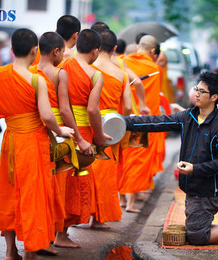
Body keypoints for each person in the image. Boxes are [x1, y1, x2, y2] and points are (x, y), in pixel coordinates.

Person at [123, 71, 218, 245]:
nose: (196, 93)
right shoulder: (188, 116)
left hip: (208, 191)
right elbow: (158, 121)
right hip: (191, 186)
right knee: (195, 228)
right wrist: (124, 122)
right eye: (197, 89)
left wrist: (195, 168)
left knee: (197, 236)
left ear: (214, 97)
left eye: (202, 91)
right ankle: (205, 226)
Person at [0, 28, 74, 260]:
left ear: (12, 49)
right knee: (33, 196)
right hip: (33, 142)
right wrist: (61, 130)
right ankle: (30, 252)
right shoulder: (37, 80)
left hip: (11, 140)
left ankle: (10, 251)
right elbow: (47, 116)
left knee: (9, 194)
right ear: (34, 50)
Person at [29, 31, 94, 250]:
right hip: (58, 134)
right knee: (60, 188)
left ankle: (40, 235)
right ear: (56, 51)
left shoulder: (30, 71)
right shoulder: (59, 73)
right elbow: (65, 110)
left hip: (35, 132)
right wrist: (78, 136)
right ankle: (58, 235)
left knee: (40, 187)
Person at [60, 29, 112, 246]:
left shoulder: (61, 67)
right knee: (75, 180)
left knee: (58, 180)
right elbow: (93, 110)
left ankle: (56, 232)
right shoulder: (95, 74)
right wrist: (98, 136)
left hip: (61, 128)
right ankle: (61, 234)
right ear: (95, 50)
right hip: (82, 131)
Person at [89, 29, 132, 229]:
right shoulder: (121, 74)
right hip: (110, 127)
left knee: (86, 169)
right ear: (115, 48)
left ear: (96, 48)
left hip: (88, 123)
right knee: (105, 172)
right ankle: (99, 218)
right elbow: (129, 107)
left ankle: (82, 213)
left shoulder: (88, 68)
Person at [119, 35, 164, 213]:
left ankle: (123, 198)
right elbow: (152, 102)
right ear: (153, 51)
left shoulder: (122, 61)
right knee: (137, 158)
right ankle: (130, 202)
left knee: (123, 157)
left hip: (122, 114)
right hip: (141, 119)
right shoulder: (154, 69)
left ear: (138, 46)